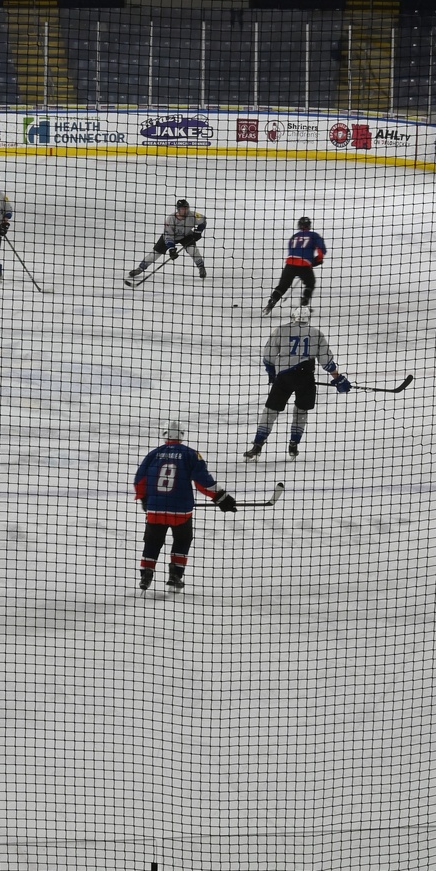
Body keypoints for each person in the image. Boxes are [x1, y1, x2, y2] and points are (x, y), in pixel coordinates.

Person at [134, 422, 236, 591]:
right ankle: (175, 575)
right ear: (181, 434)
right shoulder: (190, 454)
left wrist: (144, 499)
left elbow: (139, 480)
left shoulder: (153, 454)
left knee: (152, 541)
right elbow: (203, 482)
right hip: (180, 510)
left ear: (164, 434)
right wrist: (221, 498)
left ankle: (146, 575)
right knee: (182, 539)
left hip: (155, 510)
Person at [244, 305, 350, 460]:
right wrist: (337, 378)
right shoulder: (316, 333)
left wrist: (272, 373)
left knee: (270, 411)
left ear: (293, 317)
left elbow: (268, 356)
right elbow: (326, 360)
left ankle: (258, 444)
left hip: (284, 378)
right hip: (305, 378)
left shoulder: (280, 330)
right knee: (301, 411)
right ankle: (294, 444)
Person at [126, 199, 207, 284]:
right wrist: (172, 249)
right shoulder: (170, 219)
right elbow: (168, 236)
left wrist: (198, 232)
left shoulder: (193, 215)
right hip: (170, 237)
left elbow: (203, 220)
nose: (185, 210)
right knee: (155, 254)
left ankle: (201, 267)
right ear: (178, 209)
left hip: (186, 236)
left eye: (186, 208)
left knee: (193, 250)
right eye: (183, 209)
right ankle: (140, 268)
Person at [263, 217, 327, 314]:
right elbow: (322, 251)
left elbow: (293, 252)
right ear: (309, 225)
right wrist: (315, 261)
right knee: (310, 283)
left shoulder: (294, 236)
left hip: (290, 264)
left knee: (282, 286)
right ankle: (304, 303)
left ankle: (272, 301)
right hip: (304, 265)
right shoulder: (314, 235)